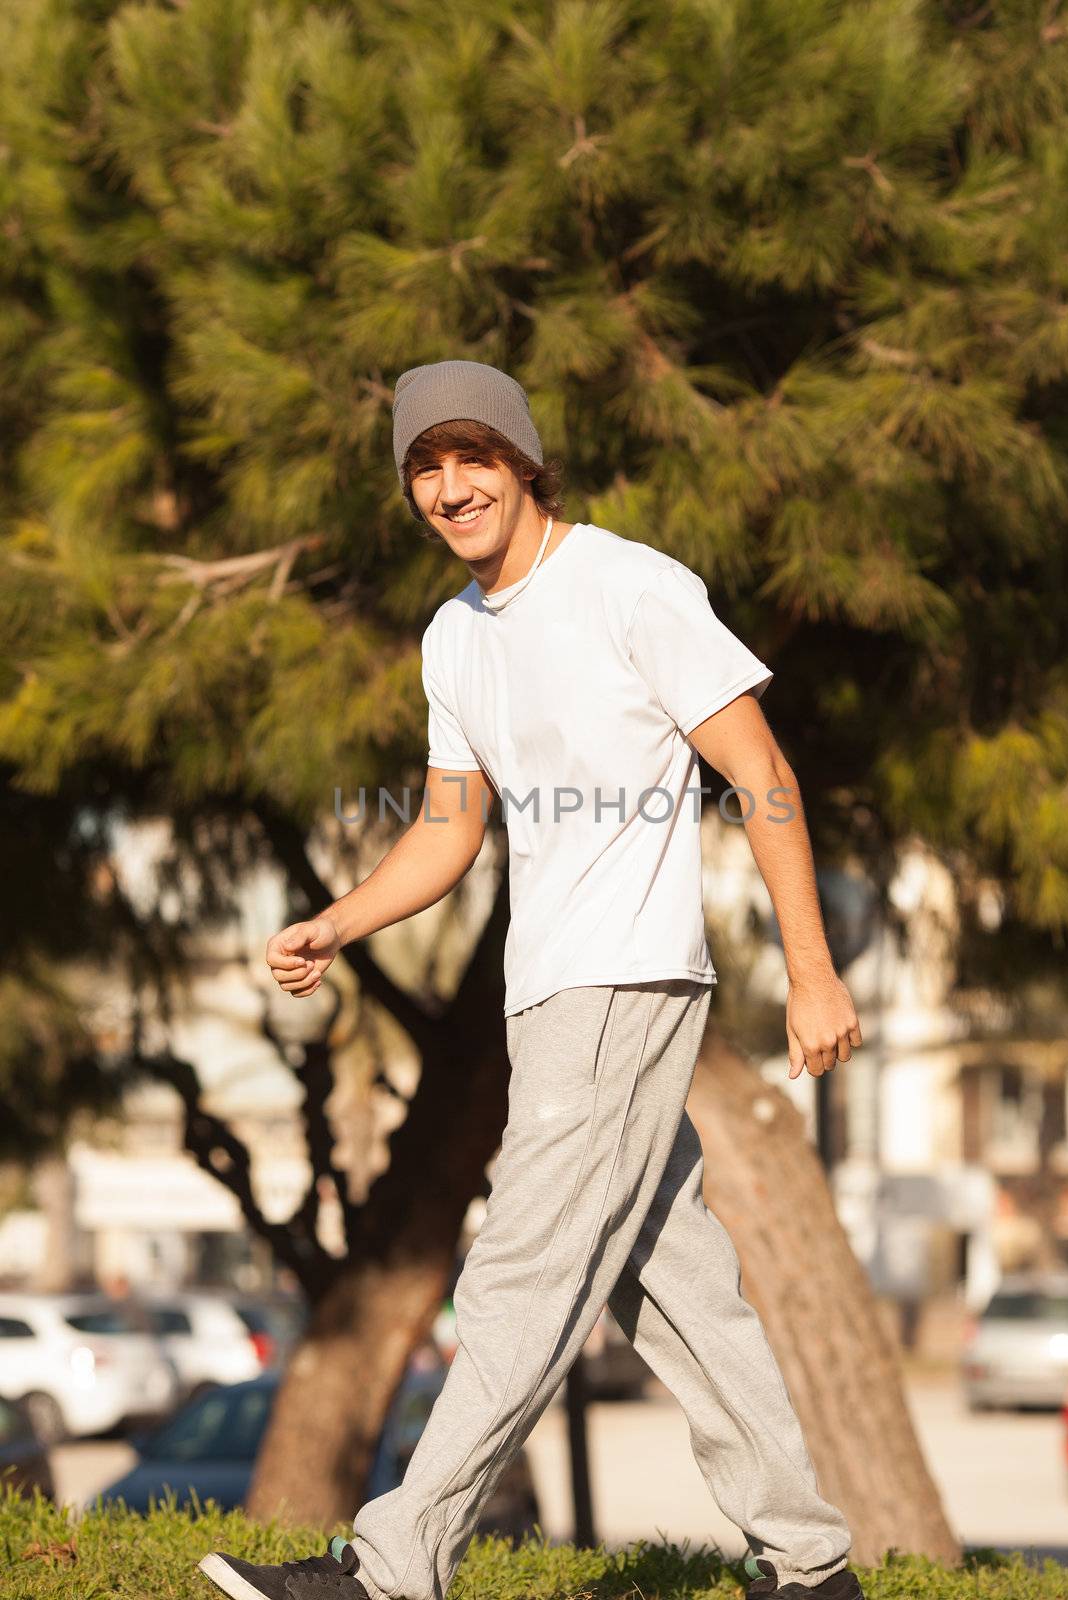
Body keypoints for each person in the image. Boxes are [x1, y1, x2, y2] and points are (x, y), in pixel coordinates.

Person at [199, 360, 866, 1600]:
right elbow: (449, 831)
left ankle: (393, 1568)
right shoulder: (456, 638)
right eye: (426, 469)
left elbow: (761, 768)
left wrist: (812, 972)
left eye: (473, 459)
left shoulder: (630, 587)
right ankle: (815, 1565)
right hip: (546, 988)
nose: (452, 489)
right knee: (672, 1283)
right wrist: (339, 921)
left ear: (522, 461)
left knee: (517, 1267)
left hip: (625, 977)